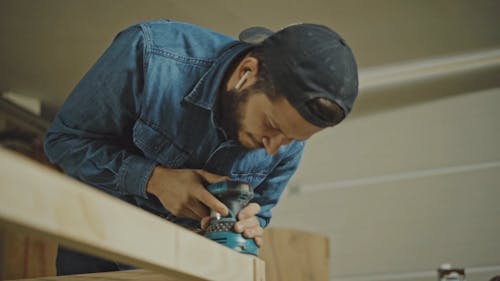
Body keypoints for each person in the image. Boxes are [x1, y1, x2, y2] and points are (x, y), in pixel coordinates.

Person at [44, 19, 358, 275]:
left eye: (292, 139)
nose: (273, 148)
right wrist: (154, 179)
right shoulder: (150, 55)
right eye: (272, 126)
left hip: (185, 270)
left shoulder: (286, 143)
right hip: (95, 254)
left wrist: (250, 225)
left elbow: (260, 213)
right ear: (247, 73)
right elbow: (64, 142)